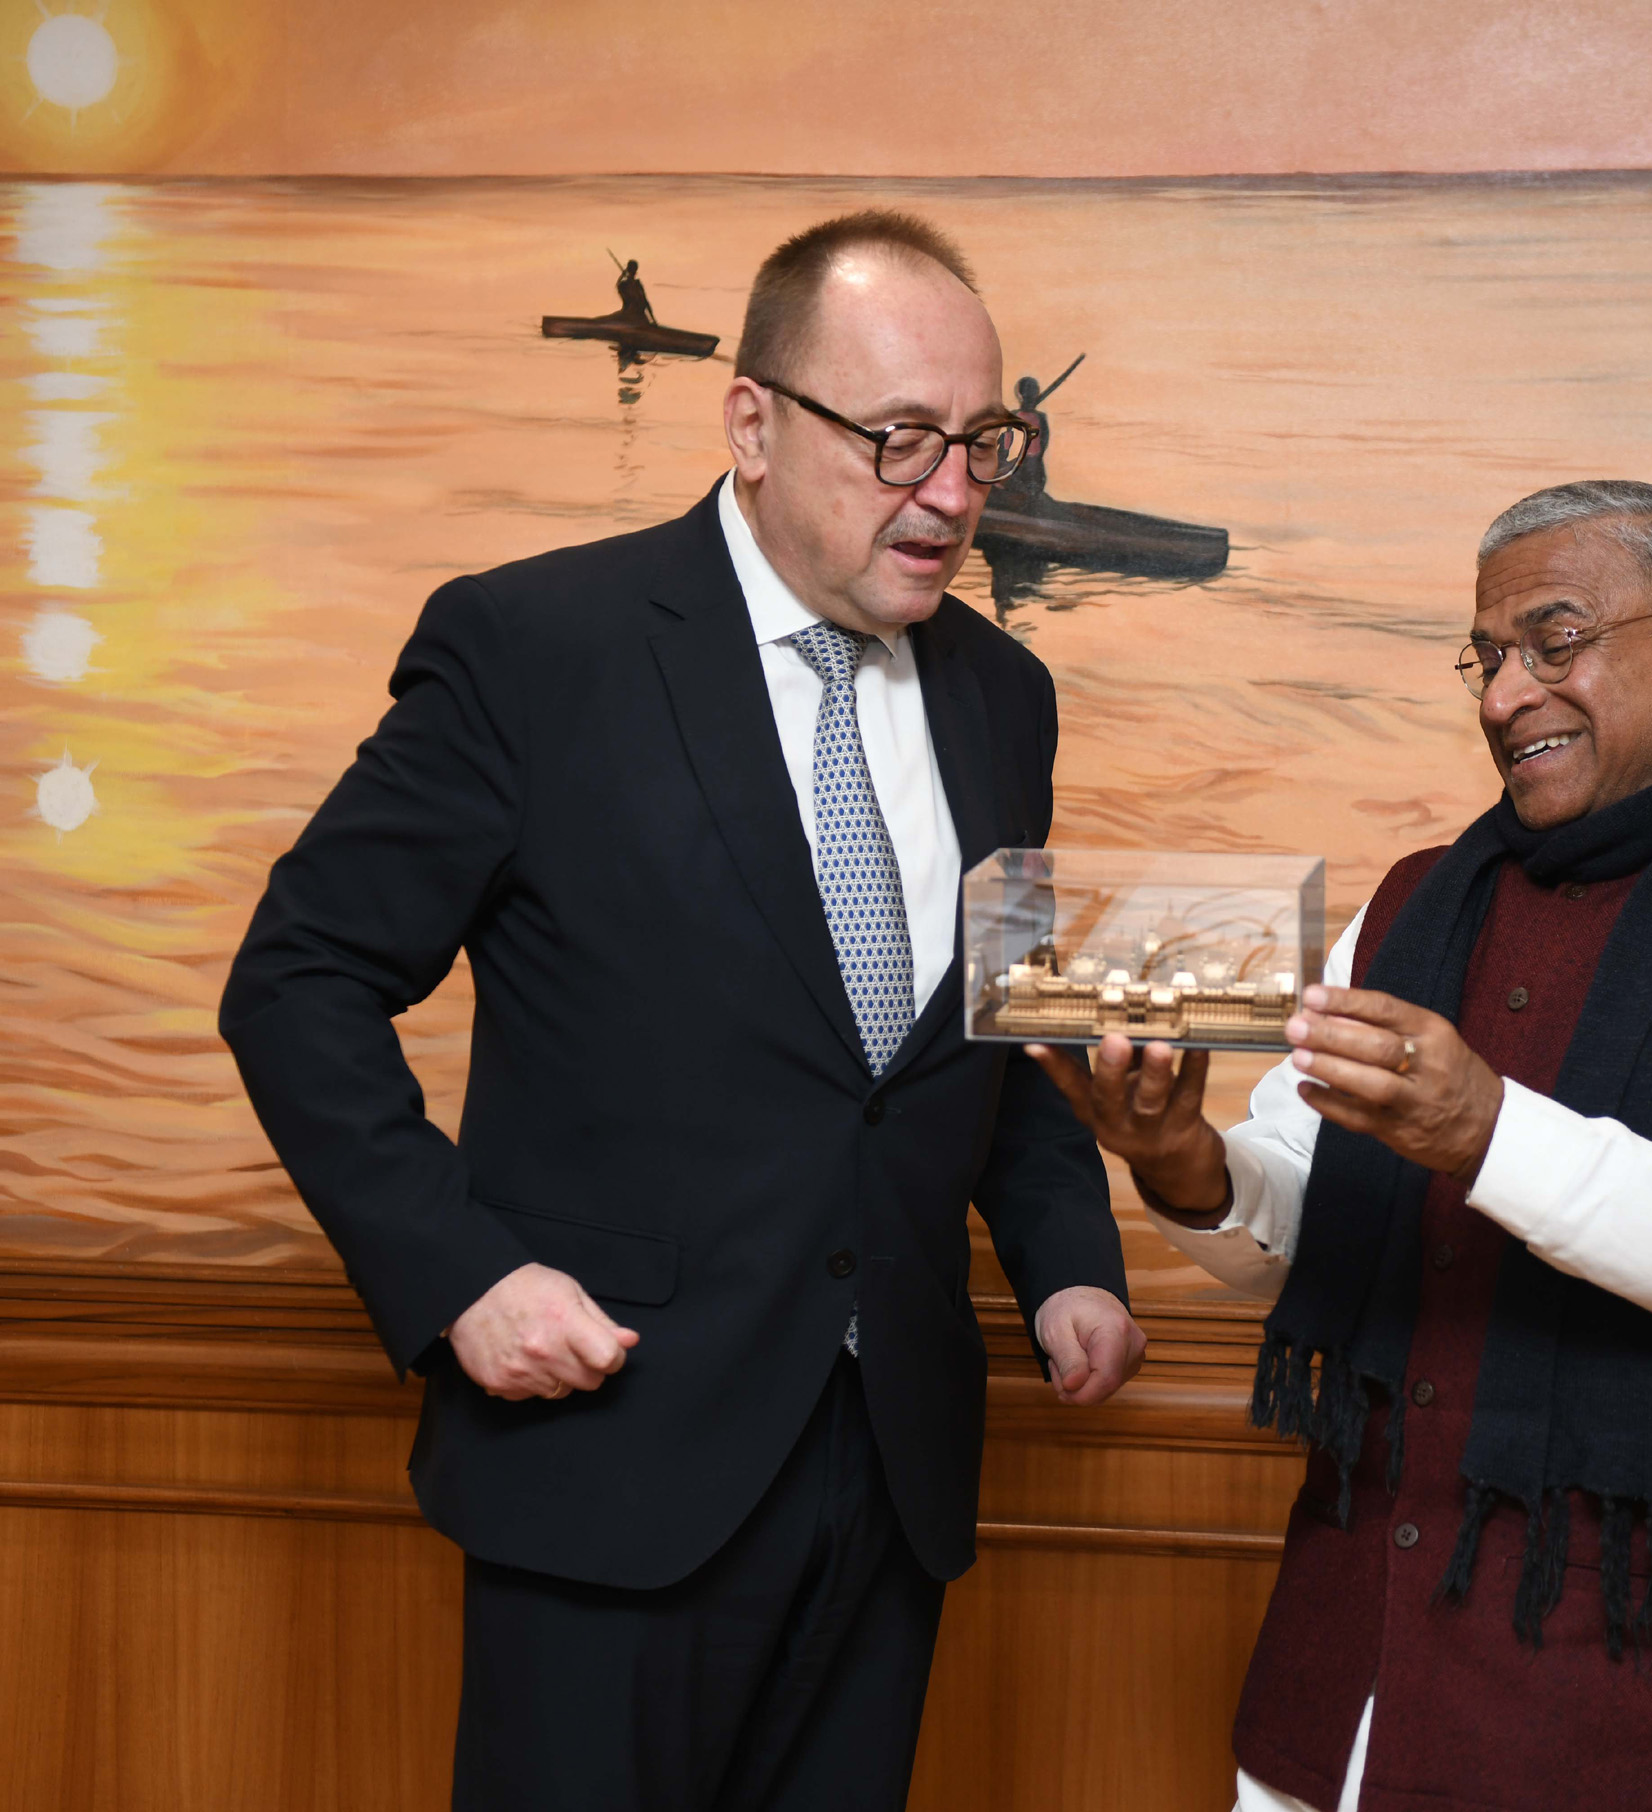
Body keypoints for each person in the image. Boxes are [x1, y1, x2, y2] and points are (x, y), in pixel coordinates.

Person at [220, 210, 1141, 1812]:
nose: (949, 493)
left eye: (980, 442)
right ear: (753, 424)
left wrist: (1068, 1261)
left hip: (895, 1471)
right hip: (612, 1455)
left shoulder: (1007, 695)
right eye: (899, 439)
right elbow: (297, 984)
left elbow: (994, 1023)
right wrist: (461, 1276)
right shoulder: (536, 648)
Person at [1033, 480, 1652, 1812]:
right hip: (1344, 1702)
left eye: (1554, 641)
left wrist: (1488, 1136)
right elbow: (1311, 1229)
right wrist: (1185, 1162)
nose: (1503, 695)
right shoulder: (1416, 902)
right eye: (1485, 658)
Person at [614, 257, 654, 324]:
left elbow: (645, 301)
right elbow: (620, 289)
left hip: (639, 314)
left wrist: (653, 318)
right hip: (629, 313)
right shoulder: (624, 284)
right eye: (632, 269)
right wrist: (622, 276)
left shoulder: (637, 284)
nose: (634, 272)